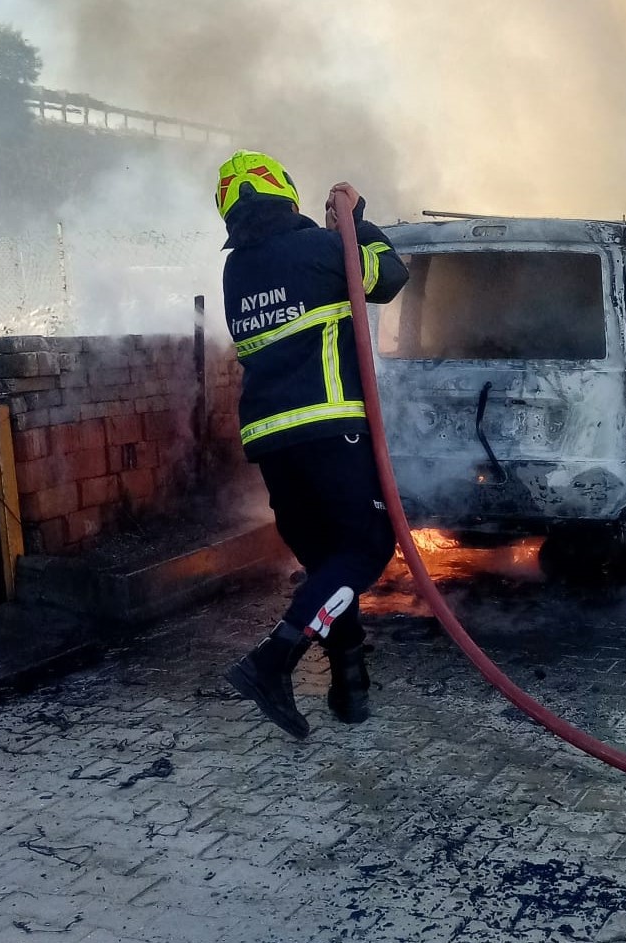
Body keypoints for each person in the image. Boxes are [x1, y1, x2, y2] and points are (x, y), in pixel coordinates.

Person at [214, 149, 409, 739]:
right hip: (330, 430)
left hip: (271, 444)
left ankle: (351, 688)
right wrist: (356, 221)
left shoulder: (235, 272)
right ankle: (272, 662)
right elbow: (388, 275)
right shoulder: (320, 251)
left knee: (328, 562)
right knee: (367, 546)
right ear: (286, 194)